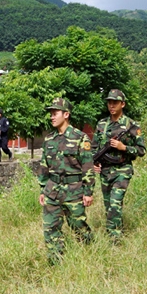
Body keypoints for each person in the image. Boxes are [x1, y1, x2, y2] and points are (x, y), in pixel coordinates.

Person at [38, 97, 95, 263]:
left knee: (79, 227)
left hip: (74, 190)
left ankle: (90, 255)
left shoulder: (80, 138)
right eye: (51, 113)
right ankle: (55, 262)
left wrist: (88, 192)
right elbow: (44, 166)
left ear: (66, 114)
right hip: (52, 190)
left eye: (55, 113)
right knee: (50, 228)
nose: (52, 117)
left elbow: (87, 167)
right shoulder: (49, 139)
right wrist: (43, 189)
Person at [92, 89, 145, 240]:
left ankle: (114, 238)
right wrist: (94, 163)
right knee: (109, 206)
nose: (111, 105)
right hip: (105, 171)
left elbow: (141, 150)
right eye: (109, 102)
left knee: (115, 204)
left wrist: (124, 148)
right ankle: (115, 229)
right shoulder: (102, 124)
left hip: (122, 170)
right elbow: (94, 148)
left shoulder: (132, 125)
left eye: (115, 102)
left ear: (123, 104)